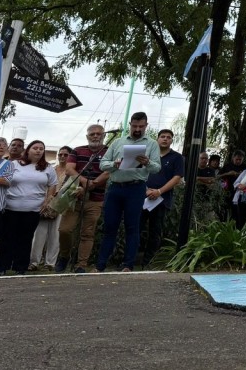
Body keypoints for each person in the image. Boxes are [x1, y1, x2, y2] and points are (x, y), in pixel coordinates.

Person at [95, 112, 161, 272]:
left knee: (132, 227)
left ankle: (128, 265)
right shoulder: (118, 142)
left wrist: (147, 162)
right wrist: (114, 164)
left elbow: (157, 168)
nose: (137, 129)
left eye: (141, 126)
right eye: (134, 126)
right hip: (116, 187)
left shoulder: (152, 144)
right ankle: (100, 265)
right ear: (130, 125)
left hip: (136, 188)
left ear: (146, 126)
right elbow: (102, 164)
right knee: (110, 226)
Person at [0, 140, 57, 274]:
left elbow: (53, 185)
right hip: (10, 208)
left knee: (26, 239)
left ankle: (20, 267)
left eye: (41, 148)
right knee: (7, 239)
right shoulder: (14, 164)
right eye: (35, 148)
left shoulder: (48, 168)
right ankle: (1, 267)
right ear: (28, 150)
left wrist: (48, 200)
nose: (38, 151)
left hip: (33, 210)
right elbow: (4, 180)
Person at [56, 124, 109, 272]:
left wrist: (92, 185)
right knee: (64, 230)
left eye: (99, 134)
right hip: (74, 197)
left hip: (96, 199)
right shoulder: (78, 150)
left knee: (87, 233)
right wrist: (86, 183)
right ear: (87, 136)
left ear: (104, 135)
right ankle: (64, 256)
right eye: (92, 134)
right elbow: (69, 169)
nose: (95, 136)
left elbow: (109, 172)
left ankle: (81, 264)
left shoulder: (108, 152)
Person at [140, 129, 185, 269]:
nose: (165, 139)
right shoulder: (147, 155)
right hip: (142, 197)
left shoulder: (177, 158)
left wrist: (159, 191)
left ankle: (149, 262)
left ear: (172, 140)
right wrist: (145, 190)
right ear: (157, 138)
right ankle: (129, 260)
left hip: (161, 200)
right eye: (162, 136)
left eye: (168, 137)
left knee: (155, 231)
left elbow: (177, 178)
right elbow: (137, 172)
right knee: (136, 228)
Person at [30, 146, 72, 270]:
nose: (62, 157)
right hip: (46, 204)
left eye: (65, 154)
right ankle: (34, 262)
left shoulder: (71, 172)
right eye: (61, 154)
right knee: (39, 234)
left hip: (61, 205)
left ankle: (50, 263)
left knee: (55, 235)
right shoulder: (51, 169)